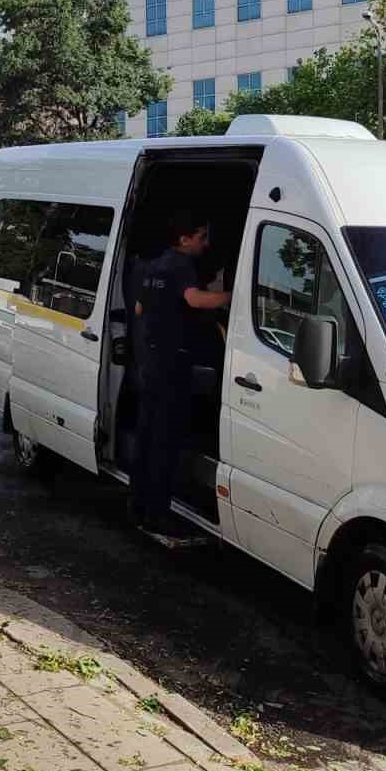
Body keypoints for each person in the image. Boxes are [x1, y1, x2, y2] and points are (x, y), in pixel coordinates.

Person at [132, 211, 231, 539]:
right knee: (165, 443)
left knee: (147, 438)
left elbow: (139, 309)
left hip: (149, 363)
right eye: (201, 237)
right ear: (184, 238)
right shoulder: (180, 266)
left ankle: (139, 507)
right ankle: (157, 515)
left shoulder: (154, 266)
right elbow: (193, 298)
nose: (205, 243)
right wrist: (234, 298)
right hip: (172, 367)